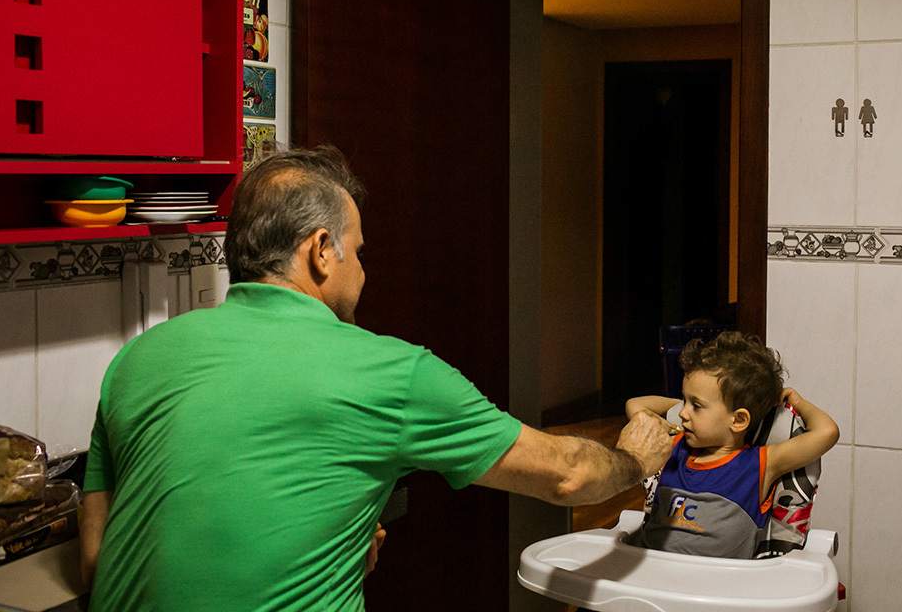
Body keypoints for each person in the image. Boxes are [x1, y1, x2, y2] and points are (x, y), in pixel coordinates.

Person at [79, 145, 674, 611]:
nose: (363, 272)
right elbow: (568, 477)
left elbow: (97, 562)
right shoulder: (389, 372)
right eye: (358, 252)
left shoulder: (136, 360)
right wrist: (635, 459)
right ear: (320, 252)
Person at [624, 332, 838, 559]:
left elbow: (827, 432)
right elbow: (635, 406)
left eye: (696, 405)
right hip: (654, 575)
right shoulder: (675, 443)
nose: (682, 413)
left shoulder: (760, 465)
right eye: (685, 401)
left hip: (724, 588)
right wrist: (693, 406)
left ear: (737, 420)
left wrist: (798, 403)